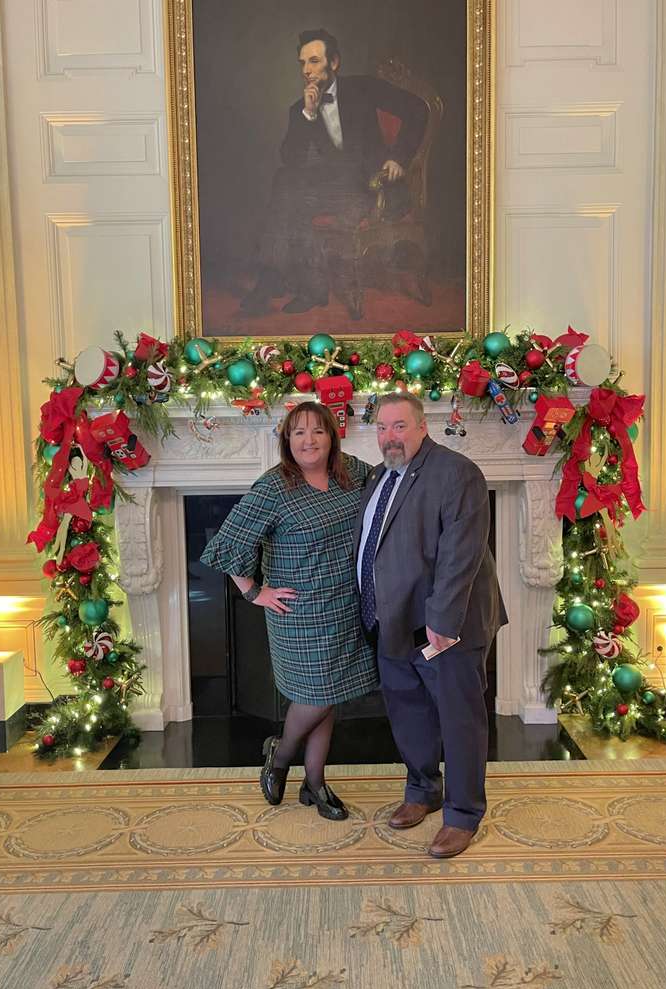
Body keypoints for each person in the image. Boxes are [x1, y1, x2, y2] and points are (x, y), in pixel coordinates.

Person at [200, 401, 376, 820]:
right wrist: (253, 592)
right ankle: (280, 756)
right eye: (299, 433)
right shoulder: (273, 487)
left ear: (332, 436)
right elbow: (228, 545)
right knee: (314, 697)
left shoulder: (351, 473)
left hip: (345, 605)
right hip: (298, 613)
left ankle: (314, 782)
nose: (309, 440)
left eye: (318, 431)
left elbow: (389, 497)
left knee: (328, 696)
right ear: (287, 441)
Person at [354, 392, 507, 859]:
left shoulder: (456, 473)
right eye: (382, 428)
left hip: (444, 627)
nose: (389, 437)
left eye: (399, 426)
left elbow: (462, 554)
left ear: (423, 426)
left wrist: (442, 624)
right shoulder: (381, 476)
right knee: (409, 713)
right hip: (393, 620)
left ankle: (463, 815)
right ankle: (422, 790)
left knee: (459, 719)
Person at [240, 27, 429, 316]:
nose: (306, 70)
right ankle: (296, 286)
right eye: (302, 63)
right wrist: (309, 114)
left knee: (290, 196)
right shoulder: (299, 109)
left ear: (334, 62)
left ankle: (277, 282)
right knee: (285, 183)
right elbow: (290, 159)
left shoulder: (363, 87)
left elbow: (418, 108)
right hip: (334, 188)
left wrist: (398, 158)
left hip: (372, 185)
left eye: (314, 60)